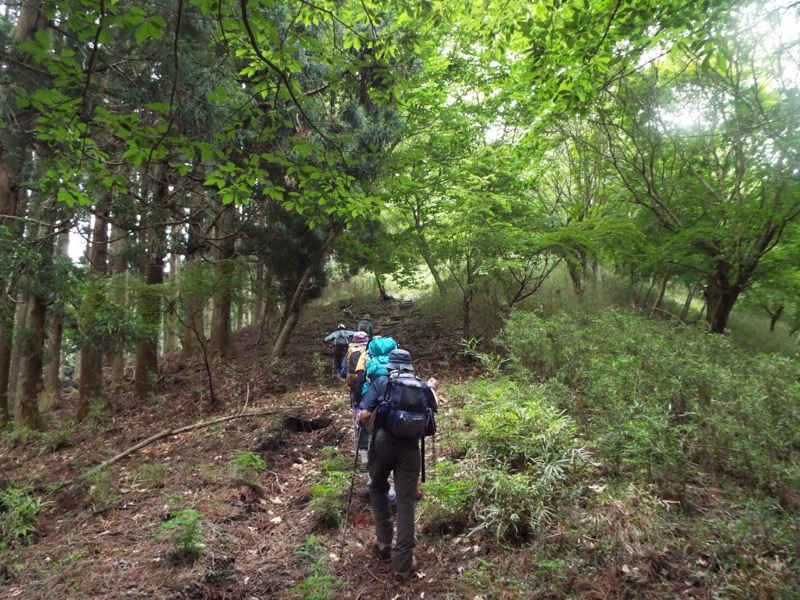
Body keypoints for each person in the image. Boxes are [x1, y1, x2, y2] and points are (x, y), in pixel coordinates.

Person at [358, 349, 438, 581]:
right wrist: (432, 388)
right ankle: (403, 563)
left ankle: (383, 542)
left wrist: (370, 420)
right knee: (406, 501)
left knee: (378, 487)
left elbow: (363, 414)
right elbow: (433, 411)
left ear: (390, 365)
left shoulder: (381, 381)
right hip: (411, 449)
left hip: (383, 444)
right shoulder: (420, 385)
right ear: (410, 366)